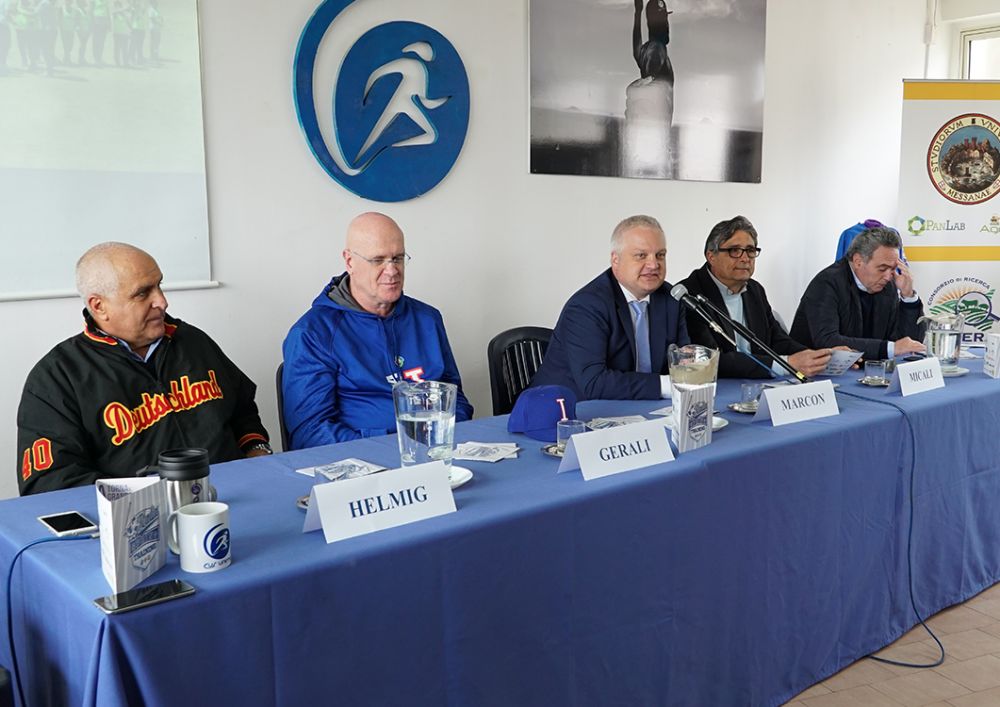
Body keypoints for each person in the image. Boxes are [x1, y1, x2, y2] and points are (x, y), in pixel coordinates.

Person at [17, 243, 271, 496]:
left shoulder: (193, 341)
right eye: (142, 293)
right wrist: (143, 500)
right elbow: (49, 482)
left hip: (235, 496)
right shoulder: (57, 377)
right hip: (136, 515)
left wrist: (256, 449)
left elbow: (242, 409)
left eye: (159, 286)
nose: (162, 301)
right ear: (99, 306)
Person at [281, 212, 473, 449]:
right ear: (349, 261)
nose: (392, 271)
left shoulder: (428, 319)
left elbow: (455, 397)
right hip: (362, 462)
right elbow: (310, 432)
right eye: (378, 260)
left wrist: (442, 437)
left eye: (397, 258)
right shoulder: (312, 333)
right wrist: (398, 447)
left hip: (435, 452)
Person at [530, 214, 689, 400]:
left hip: (638, 406)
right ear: (615, 260)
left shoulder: (671, 298)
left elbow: (684, 362)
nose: (654, 265)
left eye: (660, 255)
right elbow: (594, 383)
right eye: (641, 255)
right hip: (569, 408)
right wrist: (668, 385)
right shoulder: (587, 305)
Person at [679, 216, 834, 379]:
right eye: (735, 250)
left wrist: (818, 356)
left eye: (750, 250)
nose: (745, 258)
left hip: (757, 383)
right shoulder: (689, 295)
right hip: (719, 385)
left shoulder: (755, 290)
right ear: (711, 256)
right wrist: (786, 364)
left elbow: (777, 340)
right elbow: (711, 360)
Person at [790, 225, 926, 361]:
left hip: (865, 369)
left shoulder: (887, 285)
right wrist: (890, 348)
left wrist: (908, 298)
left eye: (893, 269)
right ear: (858, 261)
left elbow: (908, 344)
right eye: (882, 268)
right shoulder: (827, 283)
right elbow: (828, 340)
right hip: (813, 371)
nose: (888, 276)